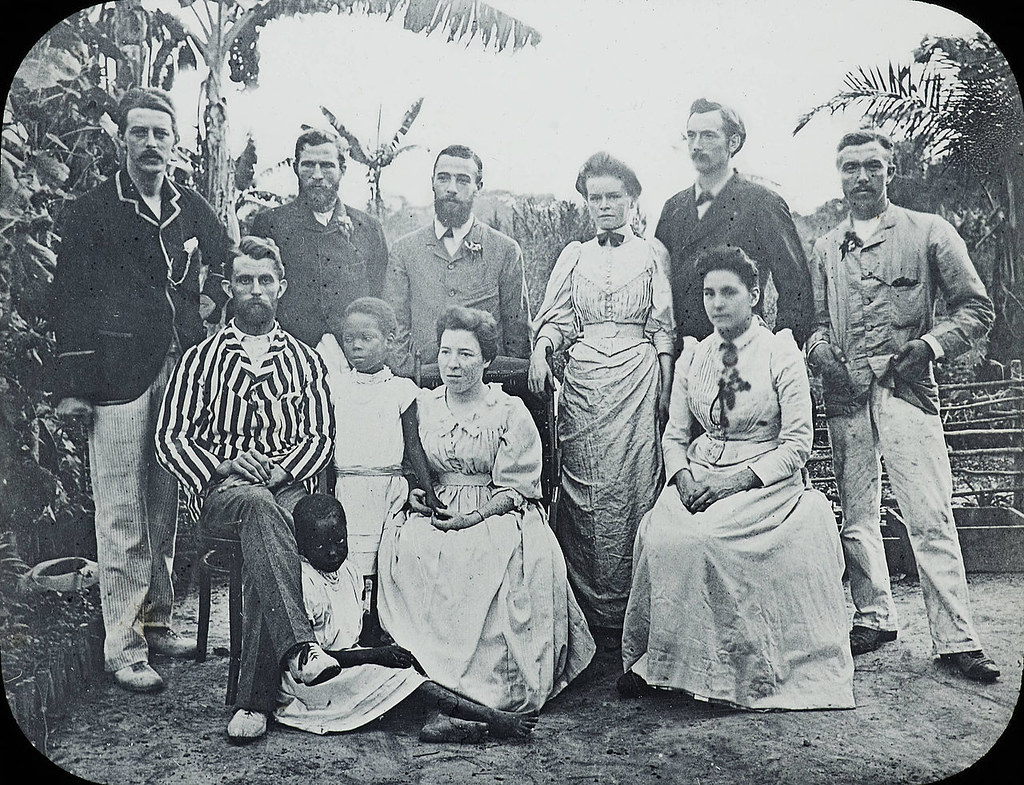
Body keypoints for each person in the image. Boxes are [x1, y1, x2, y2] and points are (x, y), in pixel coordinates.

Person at [619, 246, 854, 711]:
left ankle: (730, 671)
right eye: (709, 293)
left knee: (706, 539)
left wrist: (734, 483)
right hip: (700, 471)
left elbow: (798, 444)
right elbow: (675, 436)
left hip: (765, 479)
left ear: (755, 294)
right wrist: (683, 478)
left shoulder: (779, 352)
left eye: (729, 292)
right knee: (660, 532)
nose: (717, 303)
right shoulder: (693, 356)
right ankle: (664, 665)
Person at [52, 87, 230, 693]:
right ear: (122, 140)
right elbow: (69, 299)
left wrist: (210, 303)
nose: (151, 144)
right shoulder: (94, 209)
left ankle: (156, 622)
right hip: (115, 378)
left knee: (163, 502)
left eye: (161, 134)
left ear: (175, 142)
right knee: (121, 510)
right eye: (140, 133)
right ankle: (123, 648)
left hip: (179, 372)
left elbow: (227, 260)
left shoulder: (187, 205)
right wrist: (75, 386)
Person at [807, 129, 1000, 682]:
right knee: (857, 516)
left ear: (890, 171)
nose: (861, 177)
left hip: (907, 391)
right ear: (839, 175)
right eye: (850, 167)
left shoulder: (928, 231)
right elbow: (814, 323)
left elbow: (976, 309)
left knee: (930, 514)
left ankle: (957, 639)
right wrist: (822, 355)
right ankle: (874, 616)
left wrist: (930, 347)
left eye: (873, 166)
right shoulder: (825, 247)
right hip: (847, 396)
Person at [155, 236, 341, 742]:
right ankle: (299, 650)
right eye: (244, 280)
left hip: (284, 488)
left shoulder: (306, 361)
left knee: (268, 522)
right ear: (227, 288)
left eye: (265, 280)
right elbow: (170, 438)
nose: (255, 290)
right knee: (259, 509)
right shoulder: (200, 360)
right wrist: (222, 464)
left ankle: (254, 703)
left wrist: (280, 472)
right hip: (223, 493)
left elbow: (320, 437)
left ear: (282, 287)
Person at [377, 307, 596, 714]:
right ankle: (428, 677)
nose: (453, 364)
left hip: (494, 508)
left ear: (487, 360)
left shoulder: (507, 411)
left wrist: (472, 518)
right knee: (409, 546)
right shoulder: (422, 404)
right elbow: (409, 462)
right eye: (445, 352)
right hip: (439, 506)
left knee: (488, 553)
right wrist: (415, 492)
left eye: (466, 354)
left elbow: (517, 489)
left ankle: (486, 685)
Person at [529, 152, 674, 648]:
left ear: (633, 200)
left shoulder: (652, 253)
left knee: (636, 486)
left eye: (615, 196)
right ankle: (589, 616)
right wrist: (542, 350)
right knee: (584, 494)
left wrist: (665, 386)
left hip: (637, 380)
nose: (605, 205)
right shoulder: (574, 255)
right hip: (584, 383)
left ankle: (635, 613)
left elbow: (663, 327)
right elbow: (557, 320)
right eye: (596, 198)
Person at [275, 494, 538, 742]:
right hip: (315, 685)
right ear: (301, 545)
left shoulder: (350, 573)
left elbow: (356, 632)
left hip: (349, 665)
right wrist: (375, 656)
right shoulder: (304, 582)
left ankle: (436, 719)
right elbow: (312, 661)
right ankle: (492, 718)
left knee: (408, 664)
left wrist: (385, 648)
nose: (333, 552)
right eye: (321, 546)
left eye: (340, 541)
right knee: (395, 678)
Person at [323, 296, 441, 634]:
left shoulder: (401, 391)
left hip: (388, 489)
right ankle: (352, 624)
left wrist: (429, 490)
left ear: (389, 340)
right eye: (349, 339)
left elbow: (413, 446)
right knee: (349, 558)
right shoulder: (335, 387)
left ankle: (380, 623)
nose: (356, 346)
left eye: (367, 338)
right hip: (348, 487)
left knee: (383, 558)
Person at [655, 98, 813, 349]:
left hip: (742, 354)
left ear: (733, 142)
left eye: (708, 136)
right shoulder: (673, 208)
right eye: (691, 135)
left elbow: (796, 290)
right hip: (684, 356)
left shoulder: (763, 203)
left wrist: (777, 351)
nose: (696, 145)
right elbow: (659, 287)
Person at [384, 145, 532, 376]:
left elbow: (517, 334)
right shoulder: (404, 250)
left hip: (486, 383)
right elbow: (395, 326)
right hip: (422, 381)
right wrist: (408, 378)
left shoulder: (505, 250)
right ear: (432, 183)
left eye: (463, 180)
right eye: (443, 178)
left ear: (478, 187)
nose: (451, 188)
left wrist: (511, 383)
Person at [250, 128, 388, 360]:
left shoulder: (369, 228)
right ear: (296, 167)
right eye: (308, 165)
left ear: (342, 169)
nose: (317, 175)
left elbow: (380, 298)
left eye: (326, 166)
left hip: (353, 360)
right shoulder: (269, 224)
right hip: (287, 357)